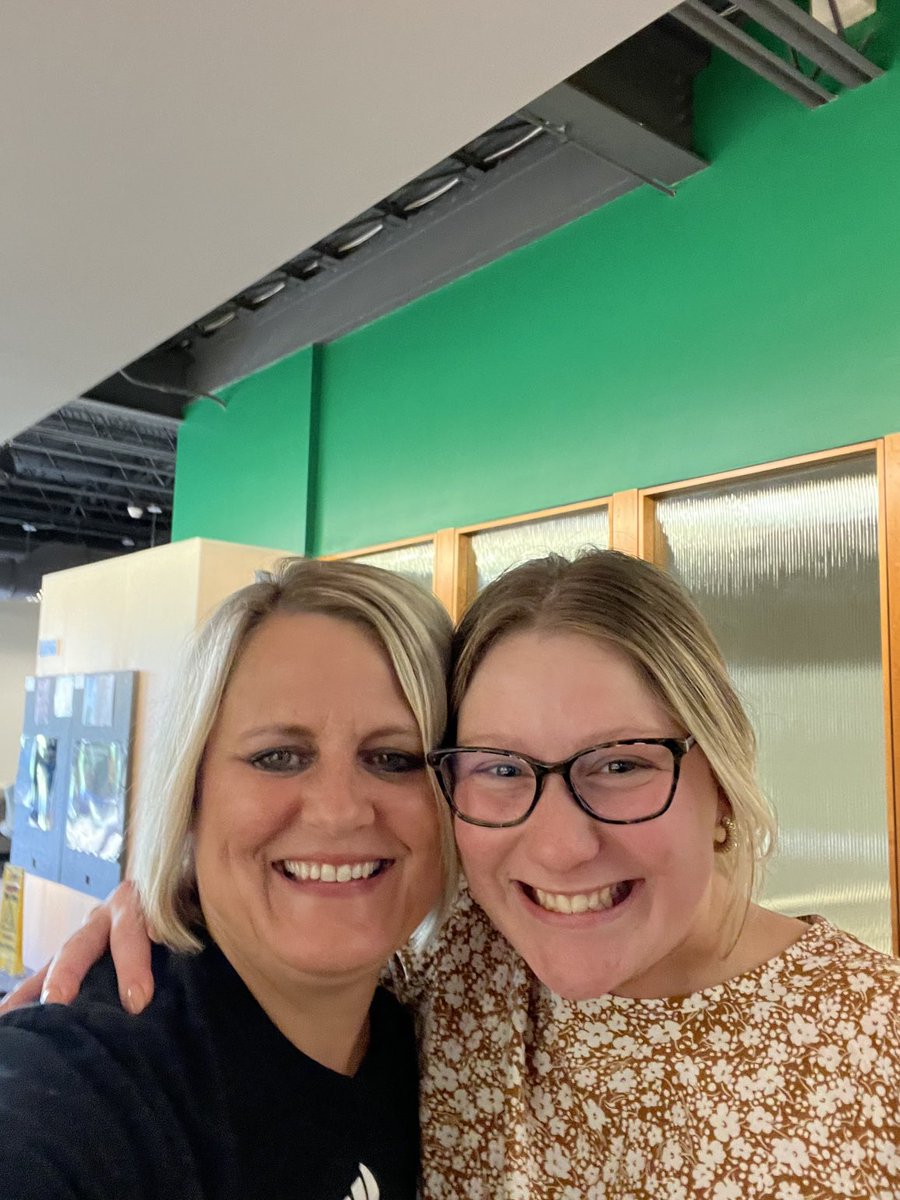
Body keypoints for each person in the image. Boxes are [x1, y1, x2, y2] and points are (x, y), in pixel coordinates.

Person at [6, 551, 900, 1198]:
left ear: (724, 785)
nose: (558, 849)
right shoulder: (461, 976)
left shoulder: (873, 1039)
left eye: (622, 764)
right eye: (503, 769)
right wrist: (170, 901)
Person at [0, 557, 456, 1199]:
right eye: (278, 757)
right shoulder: (85, 1083)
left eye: (394, 758)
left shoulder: (435, 1051)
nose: (338, 810)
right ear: (191, 795)